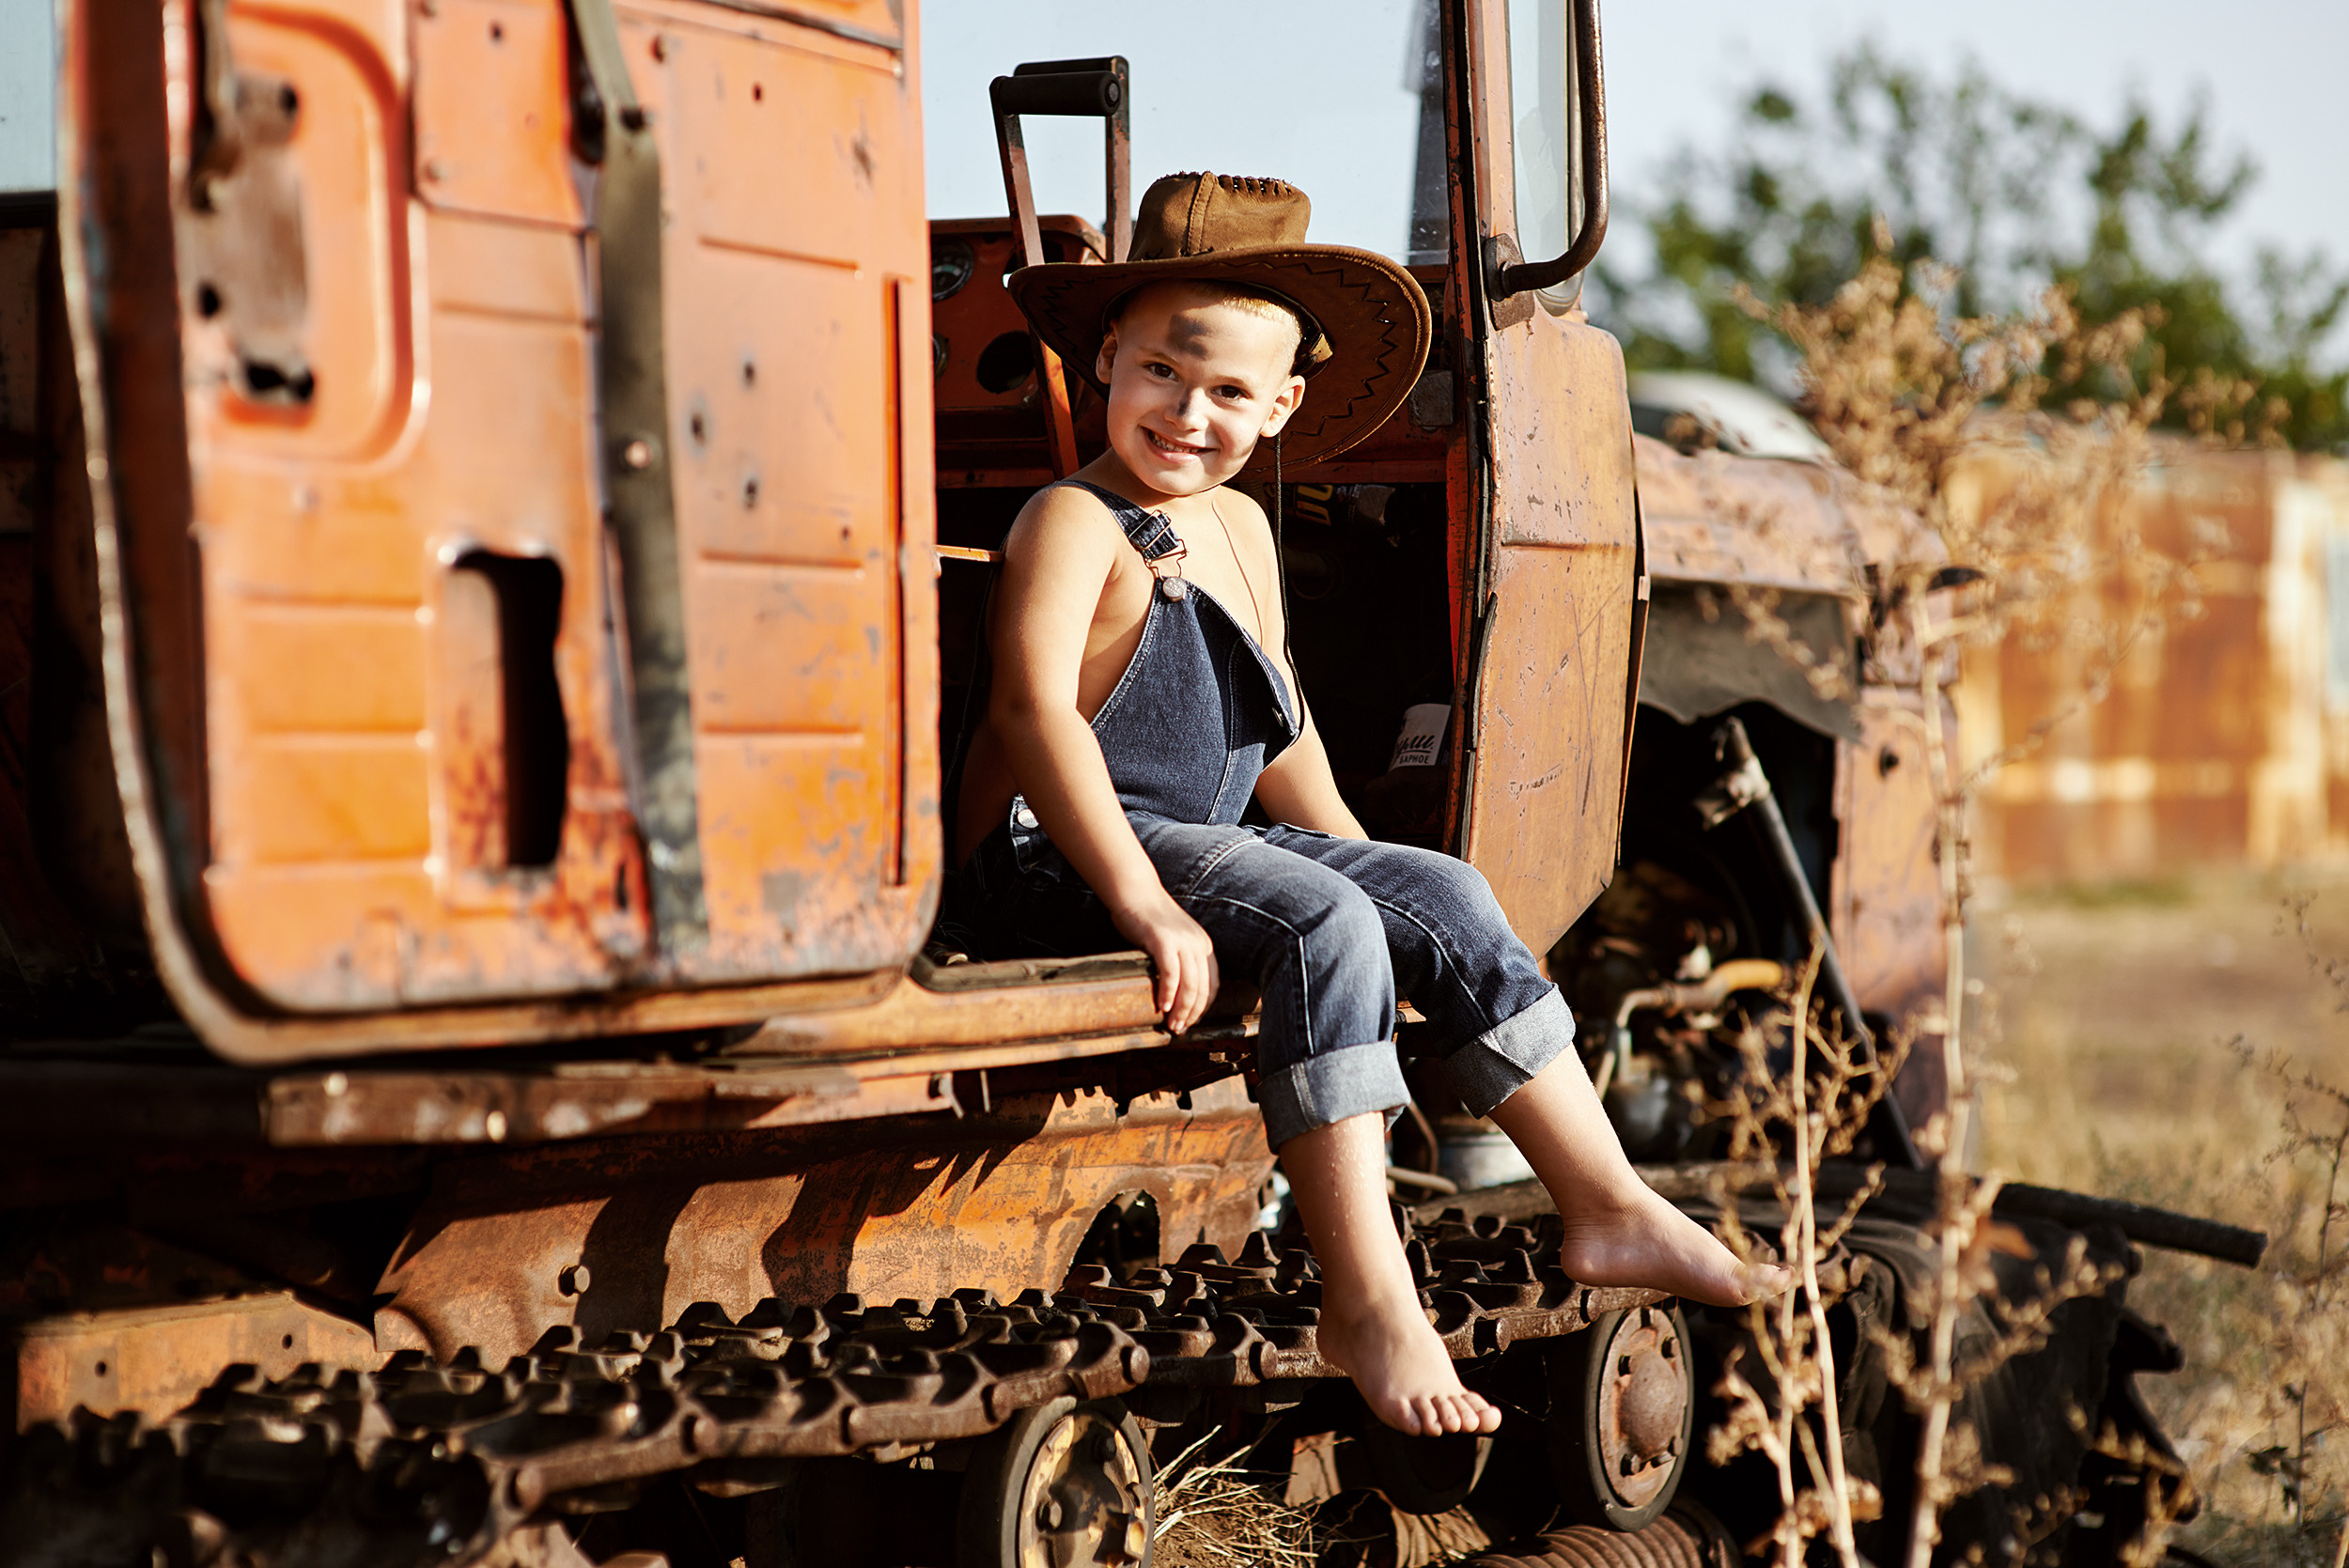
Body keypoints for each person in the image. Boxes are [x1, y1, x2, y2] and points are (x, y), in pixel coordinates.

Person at [947, 172, 1787, 1437]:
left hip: (1193, 839)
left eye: (1231, 392)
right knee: (1317, 920)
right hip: (1051, 852)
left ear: (1281, 405)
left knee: (1436, 892)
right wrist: (1139, 900)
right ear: (1108, 356)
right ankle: (1367, 1299)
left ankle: (1606, 1197)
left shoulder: (1235, 527)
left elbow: (1276, 727)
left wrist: (1365, 857)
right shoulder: (1071, 521)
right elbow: (1033, 715)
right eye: (1165, 372)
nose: (1189, 412)